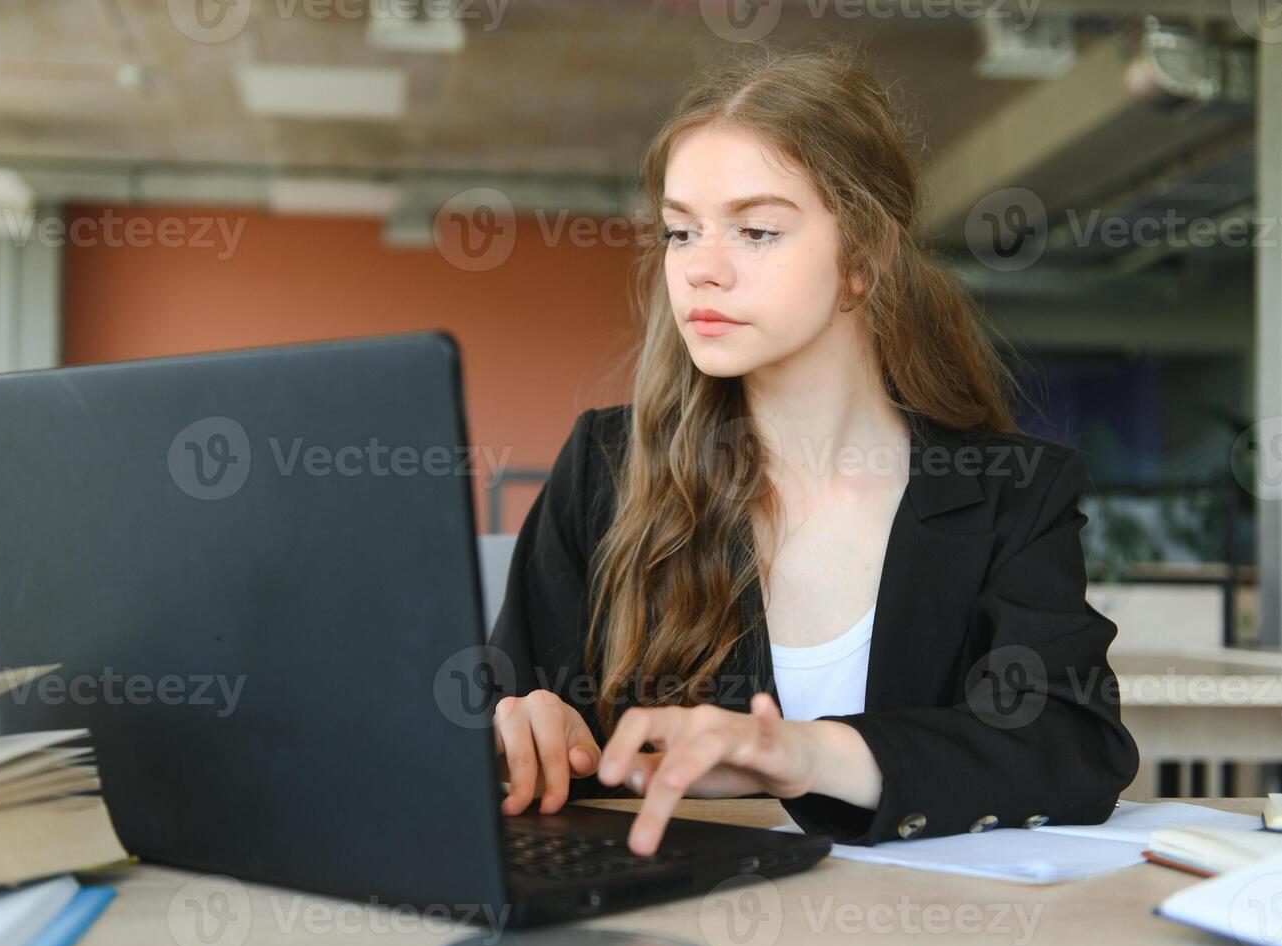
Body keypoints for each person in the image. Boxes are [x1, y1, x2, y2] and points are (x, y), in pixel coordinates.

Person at [486, 43, 1139, 858]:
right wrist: (519, 726)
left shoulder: (1013, 492)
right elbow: (497, 709)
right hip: (659, 936)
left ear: (862, 258)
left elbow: (1069, 743)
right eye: (680, 233)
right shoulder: (606, 469)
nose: (701, 272)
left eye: (755, 231)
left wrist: (801, 754)